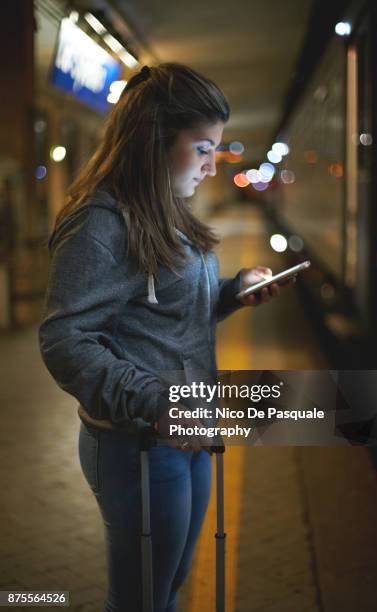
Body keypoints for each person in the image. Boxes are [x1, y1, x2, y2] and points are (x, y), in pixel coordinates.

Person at [38, 62, 294, 612]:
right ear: (154, 141)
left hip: (188, 425)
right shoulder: (100, 224)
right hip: (141, 443)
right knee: (140, 598)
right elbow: (66, 339)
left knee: (169, 584)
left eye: (215, 149)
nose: (211, 165)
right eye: (202, 148)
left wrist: (230, 292)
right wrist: (155, 402)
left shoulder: (166, 211)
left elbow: (161, 313)